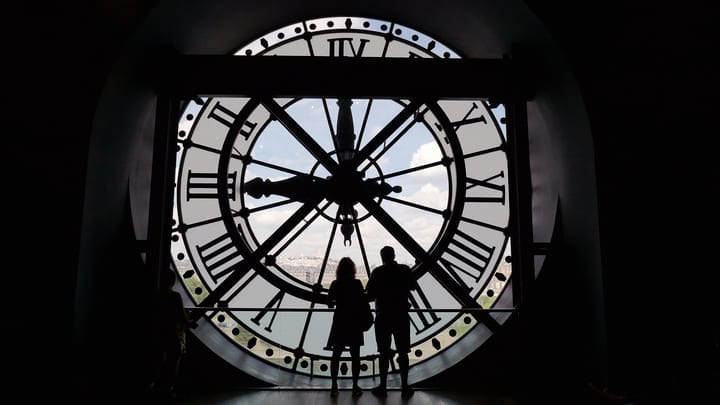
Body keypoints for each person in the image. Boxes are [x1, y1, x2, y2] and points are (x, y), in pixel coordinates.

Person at [365, 246, 418, 398]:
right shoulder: (404, 270)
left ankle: (383, 386)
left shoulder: (377, 272)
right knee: (403, 352)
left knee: (383, 352)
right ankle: (405, 385)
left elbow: (370, 294)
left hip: (383, 316)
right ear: (394, 255)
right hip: (401, 315)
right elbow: (413, 287)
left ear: (382, 257)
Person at [326, 257, 366, 397]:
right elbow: (362, 301)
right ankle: (355, 386)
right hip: (354, 322)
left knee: (336, 355)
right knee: (356, 356)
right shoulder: (357, 283)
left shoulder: (335, 284)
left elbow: (330, 303)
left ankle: (334, 385)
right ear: (353, 270)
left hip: (340, 322)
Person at [149, 269, 191, 400]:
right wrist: (190, 322)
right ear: (172, 281)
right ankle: (167, 390)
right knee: (172, 365)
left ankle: (154, 387)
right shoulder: (175, 296)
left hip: (159, 333)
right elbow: (182, 316)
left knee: (158, 361)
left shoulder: (155, 296)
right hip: (173, 334)